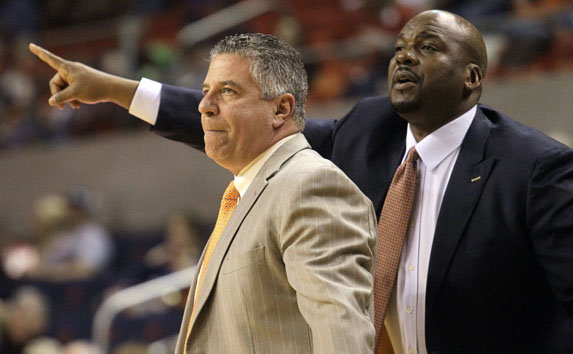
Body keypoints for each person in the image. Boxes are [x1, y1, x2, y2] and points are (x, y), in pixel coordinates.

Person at [29, 9, 573, 353]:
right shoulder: (369, 128)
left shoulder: (535, 169)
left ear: (472, 77)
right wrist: (120, 91)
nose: (405, 54)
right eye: (401, 45)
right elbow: (254, 129)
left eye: (429, 47)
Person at [31, 33, 376, 353]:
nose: (204, 105)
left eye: (228, 92)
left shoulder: (310, 186)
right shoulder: (254, 191)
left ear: (280, 109)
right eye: (205, 90)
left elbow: (340, 332)